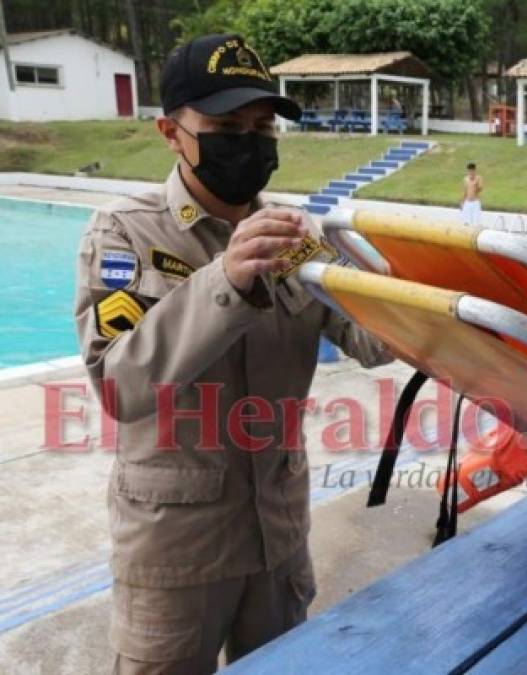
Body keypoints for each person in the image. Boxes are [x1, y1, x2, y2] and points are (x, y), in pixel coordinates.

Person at [74, 34, 392, 674]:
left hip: (278, 538)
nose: (249, 142)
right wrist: (226, 279)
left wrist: (409, 288)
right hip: (176, 551)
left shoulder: (293, 240)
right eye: (225, 125)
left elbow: (370, 341)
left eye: (261, 126)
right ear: (171, 132)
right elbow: (119, 386)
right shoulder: (124, 234)